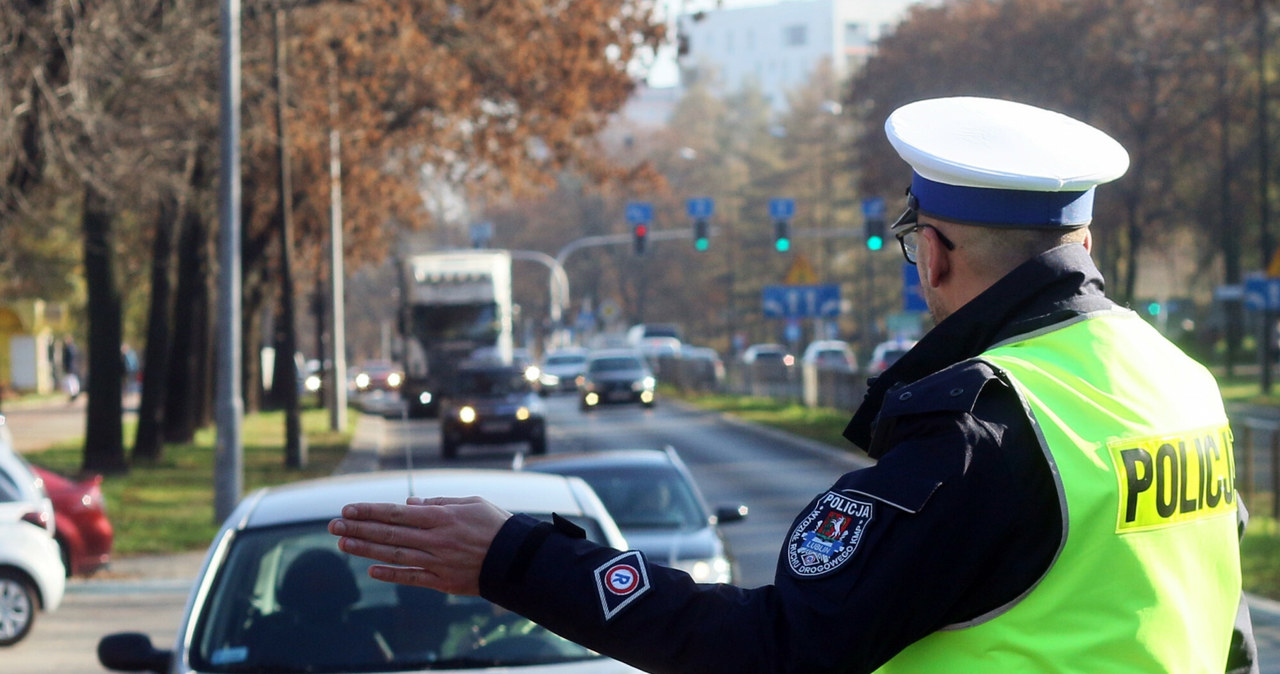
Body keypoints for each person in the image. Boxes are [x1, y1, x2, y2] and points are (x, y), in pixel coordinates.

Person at [330, 97, 1256, 673]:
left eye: (910, 242)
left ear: (932, 251)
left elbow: (775, 649)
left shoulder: (983, 424)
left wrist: (517, 558)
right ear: (1083, 241)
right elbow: (1225, 631)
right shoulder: (1179, 384)